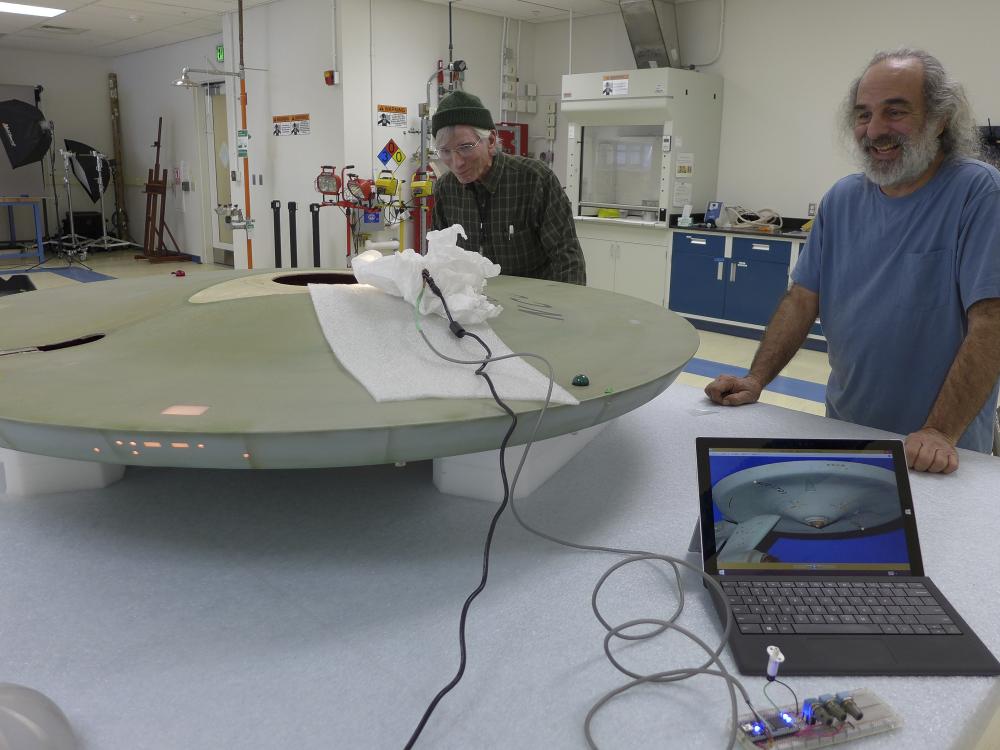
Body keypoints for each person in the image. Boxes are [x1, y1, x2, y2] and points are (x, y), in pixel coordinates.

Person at [705, 48, 1000, 474]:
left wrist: (939, 431)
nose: (875, 130)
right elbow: (802, 299)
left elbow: (992, 322)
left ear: (940, 121)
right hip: (844, 429)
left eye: (895, 112)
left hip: (940, 448)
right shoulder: (842, 199)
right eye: (863, 115)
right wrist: (756, 379)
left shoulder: (979, 193)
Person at [431, 90, 586, 285]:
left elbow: (568, 261)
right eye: (445, 151)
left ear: (492, 140)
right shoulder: (446, 189)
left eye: (466, 147)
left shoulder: (535, 180)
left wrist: (566, 311)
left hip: (534, 306)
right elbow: (439, 258)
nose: (456, 162)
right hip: (472, 307)